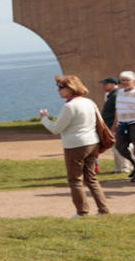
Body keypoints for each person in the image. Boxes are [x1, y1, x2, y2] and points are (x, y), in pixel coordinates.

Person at [39, 75, 110, 216]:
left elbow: (56, 129)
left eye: (61, 87)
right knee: (91, 178)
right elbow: (100, 122)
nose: (58, 90)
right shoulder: (89, 102)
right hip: (92, 142)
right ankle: (103, 209)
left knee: (75, 179)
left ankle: (82, 211)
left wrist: (44, 119)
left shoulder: (69, 106)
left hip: (75, 145)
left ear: (71, 88)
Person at [98, 77, 132, 176]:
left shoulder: (117, 95)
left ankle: (125, 167)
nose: (104, 86)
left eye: (106, 84)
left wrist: (115, 125)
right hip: (111, 125)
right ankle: (119, 168)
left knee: (119, 146)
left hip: (115, 125)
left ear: (113, 84)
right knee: (116, 147)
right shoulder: (112, 95)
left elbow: (119, 111)